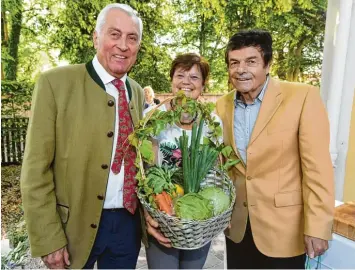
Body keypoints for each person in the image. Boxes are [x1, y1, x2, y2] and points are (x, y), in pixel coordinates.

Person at [20, 3, 146, 269]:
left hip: (127, 226)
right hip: (73, 227)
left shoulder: (136, 91)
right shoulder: (55, 84)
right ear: (96, 37)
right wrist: (48, 238)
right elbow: (35, 170)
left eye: (132, 38)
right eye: (114, 34)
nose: (123, 45)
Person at [216, 29, 334, 269]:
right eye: (234, 63)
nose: (241, 69)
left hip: (285, 230)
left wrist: (318, 226)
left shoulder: (302, 97)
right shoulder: (222, 105)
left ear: (268, 64)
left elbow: (317, 169)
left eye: (251, 61)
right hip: (238, 228)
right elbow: (226, 166)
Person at [144, 53, 222, 269]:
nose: (186, 82)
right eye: (180, 75)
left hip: (198, 219)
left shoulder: (212, 122)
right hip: (163, 215)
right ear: (171, 81)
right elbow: (146, 167)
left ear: (203, 85)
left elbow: (216, 168)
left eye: (194, 77)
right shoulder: (154, 117)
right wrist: (151, 211)